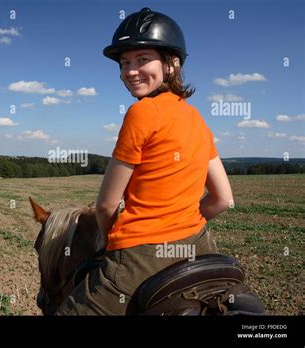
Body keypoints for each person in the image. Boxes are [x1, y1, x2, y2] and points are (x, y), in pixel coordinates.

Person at [55, 7, 234, 315]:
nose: (130, 70)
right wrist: (183, 224)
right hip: (200, 246)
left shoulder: (141, 112)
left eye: (142, 59)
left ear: (171, 64)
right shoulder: (196, 118)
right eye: (125, 63)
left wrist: (113, 242)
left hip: (141, 257)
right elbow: (223, 199)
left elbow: (106, 206)